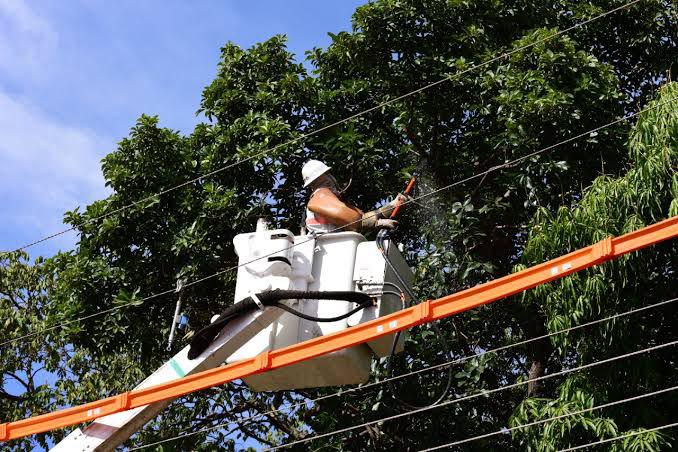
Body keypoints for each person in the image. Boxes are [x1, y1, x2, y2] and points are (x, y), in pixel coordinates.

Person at [302, 159, 404, 233]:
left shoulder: (325, 200)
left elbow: (361, 217)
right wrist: (377, 223)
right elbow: (355, 220)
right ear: (327, 176)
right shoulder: (321, 195)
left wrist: (393, 205)